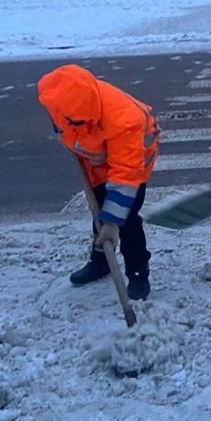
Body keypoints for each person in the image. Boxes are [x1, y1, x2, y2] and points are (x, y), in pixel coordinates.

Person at [37, 64, 160, 300]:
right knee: (100, 209)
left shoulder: (125, 121)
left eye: (86, 121)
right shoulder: (57, 98)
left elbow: (125, 174)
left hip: (133, 158)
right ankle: (102, 260)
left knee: (126, 218)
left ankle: (138, 273)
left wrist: (113, 222)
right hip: (96, 157)